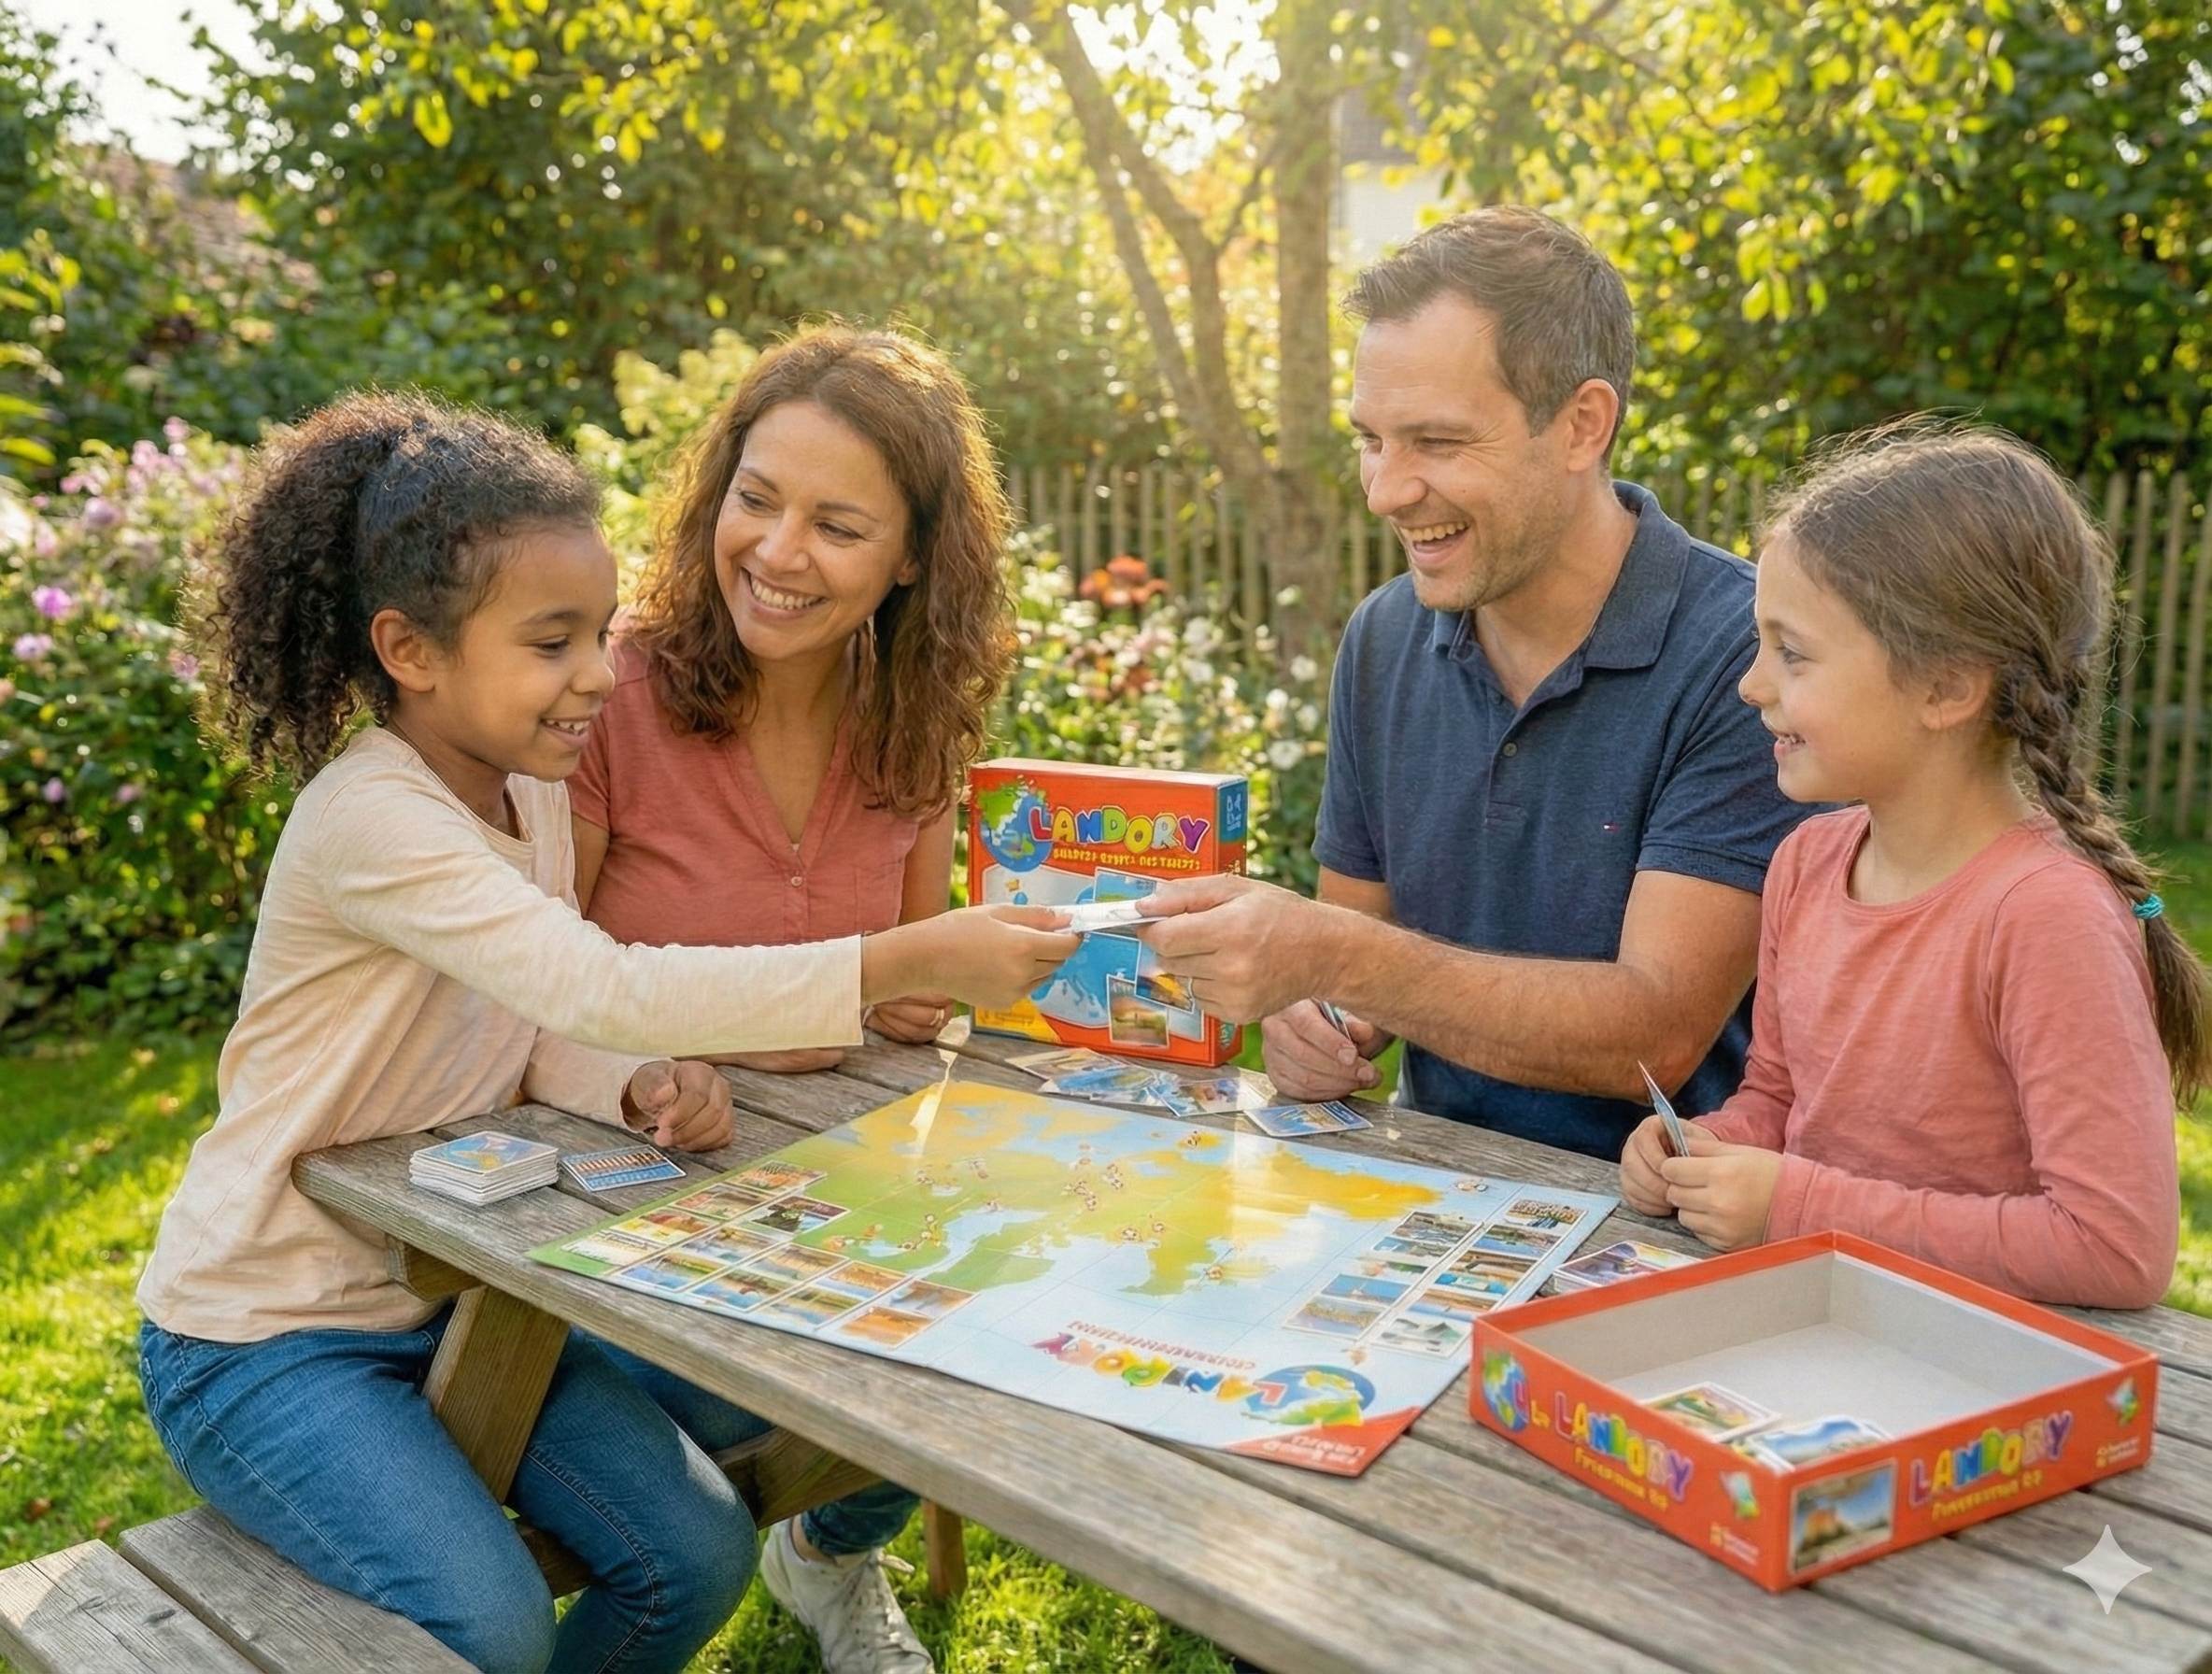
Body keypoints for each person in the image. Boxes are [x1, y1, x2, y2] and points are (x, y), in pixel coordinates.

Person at [135, 390, 1076, 1674]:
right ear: (411, 650)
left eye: (596, 632)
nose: (599, 673)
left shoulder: (522, 792)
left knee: (690, 1556)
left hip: (457, 1296)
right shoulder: (374, 818)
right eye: (555, 643)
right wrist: (896, 961)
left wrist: (633, 1087)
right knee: (491, 1623)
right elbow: (599, 983)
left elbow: (545, 1022)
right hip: (264, 1333)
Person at [1140, 206, 1808, 1159]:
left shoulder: (1744, 653)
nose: (1384, 490)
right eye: (1370, 438)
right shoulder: (1383, 636)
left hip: (1678, 1224)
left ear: (1582, 425)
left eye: (1437, 443)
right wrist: (1312, 1018)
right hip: (1432, 1198)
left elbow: (1651, 1037)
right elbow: (1350, 968)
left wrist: (1335, 957)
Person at [567, 326, 1012, 1669]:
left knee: (999, 1351)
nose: (775, 551)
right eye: (755, 500)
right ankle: (777, 1509)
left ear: (912, 557)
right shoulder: (610, 693)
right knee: (882, 1387)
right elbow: (532, 987)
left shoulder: (916, 712)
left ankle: (822, 1553)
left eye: (836, 524)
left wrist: (916, 1008)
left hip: (839, 1184)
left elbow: (904, 974)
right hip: (628, 1189)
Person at [1620, 425, 2198, 1308]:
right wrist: (1705, 1147)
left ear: (1944, 688)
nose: (1751, 685)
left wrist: (1794, 1203)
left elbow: (2115, 1248)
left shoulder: (2046, 918)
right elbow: (1779, 1095)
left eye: (1793, 653)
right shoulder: (1805, 864)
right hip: (1821, 1326)